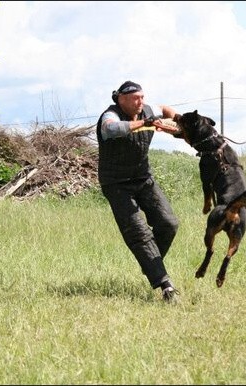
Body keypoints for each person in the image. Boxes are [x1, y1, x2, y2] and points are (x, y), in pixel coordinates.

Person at [96, 80, 182, 303]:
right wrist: (145, 122)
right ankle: (165, 285)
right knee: (139, 233)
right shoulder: (110, 115)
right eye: (135, 98)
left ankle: (151, 264)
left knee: (168, 223)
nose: (140, 102)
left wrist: (178, 121)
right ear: (121, 99)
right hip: (116, 184)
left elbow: (164, 109)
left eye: (142, 97)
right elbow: (111, 129)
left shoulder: (148, 110)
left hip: (144, 179)